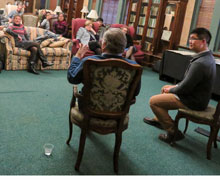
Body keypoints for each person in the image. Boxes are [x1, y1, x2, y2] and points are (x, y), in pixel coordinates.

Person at [143, 27, 216, 143]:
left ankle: (173, 132)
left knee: (153, 101)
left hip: (193, 101)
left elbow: (185, 88)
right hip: (198, 97)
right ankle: (159, 120)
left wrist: (172, 90)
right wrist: (172, 88)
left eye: (193, 39)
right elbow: (189, 83)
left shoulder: (201, 63)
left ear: (203, 42)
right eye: (190, 38)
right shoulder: (207, 57)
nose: (190, 41)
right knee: (164, 88)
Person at [67, 28, 141, 110]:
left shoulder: (89, 61)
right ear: (124, 47)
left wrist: (77, 57)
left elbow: (72, 78)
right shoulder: (134, 67)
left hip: (89, 109)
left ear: (104, 44)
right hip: (118, 111)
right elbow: (135, 92)